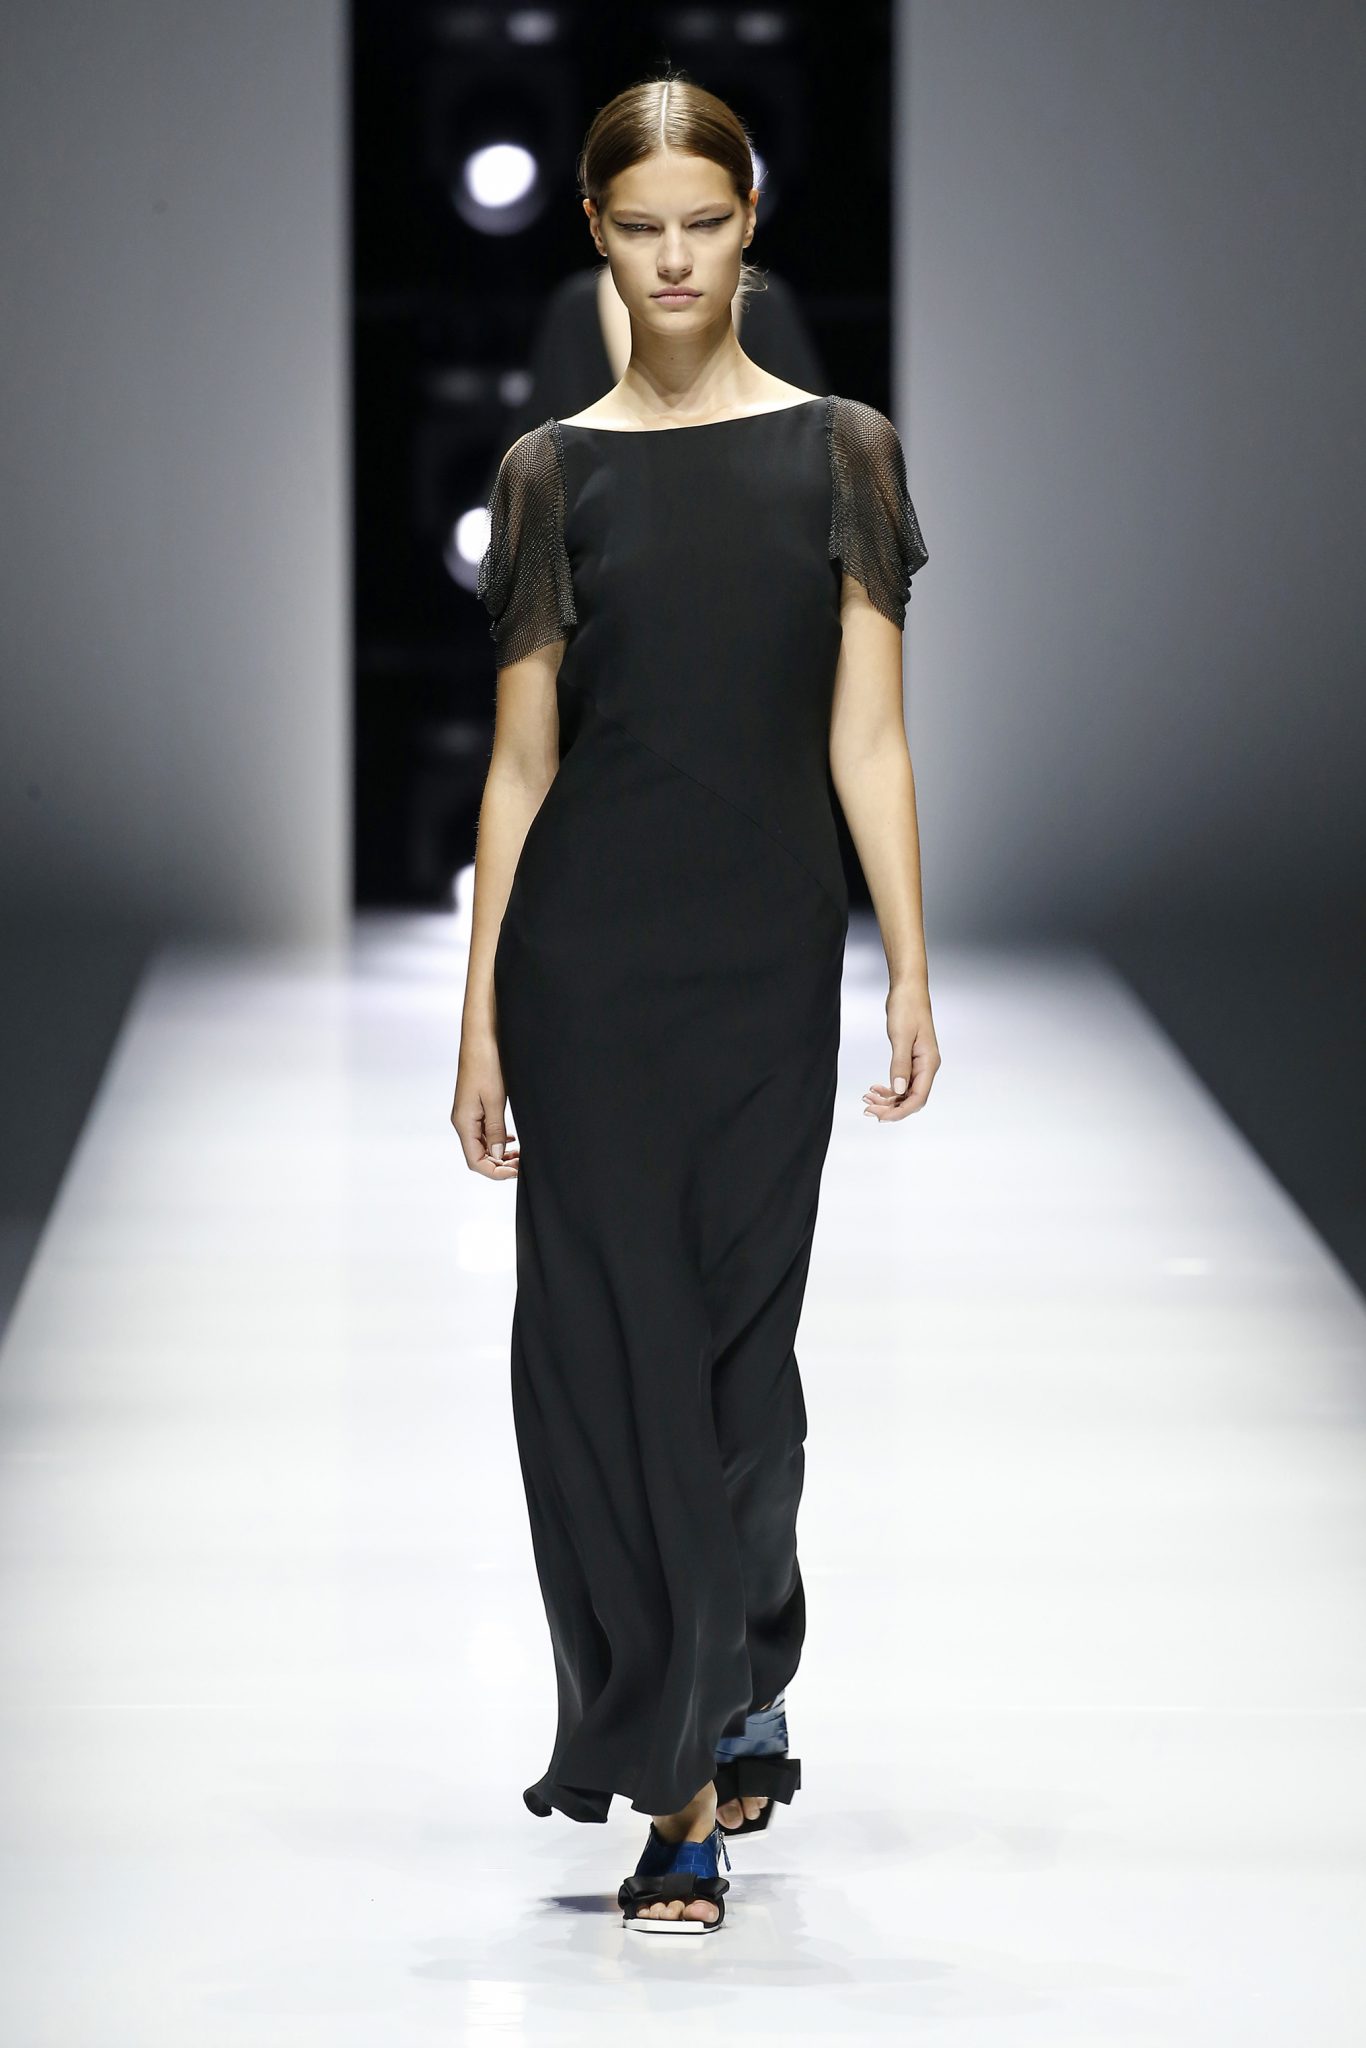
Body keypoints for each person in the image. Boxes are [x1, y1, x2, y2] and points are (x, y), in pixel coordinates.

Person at [451, 72, 938, 1935]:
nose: (673, 260)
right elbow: (520, 768)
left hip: (761, 966)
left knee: (741, 1367)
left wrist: (906, 962)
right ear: (594, 231)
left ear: (751, 225)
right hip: (585, 969)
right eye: (640, 227)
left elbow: (867, 737)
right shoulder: (548, 474)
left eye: (704, 225)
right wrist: (481, 1014)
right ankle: (678, 1799)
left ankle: (735, 1683)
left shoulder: (843, 456)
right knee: (604, 1366)